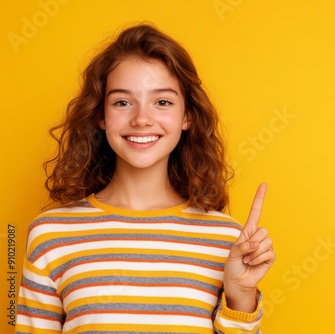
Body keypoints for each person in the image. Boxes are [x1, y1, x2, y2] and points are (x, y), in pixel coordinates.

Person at [15, 23, 275, 334]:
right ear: (100, 115)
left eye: (162, 102)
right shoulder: (50, 235)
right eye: (122, 102)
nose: (141, 119)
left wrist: (241, 295)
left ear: (187, 117)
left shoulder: (227, 240)